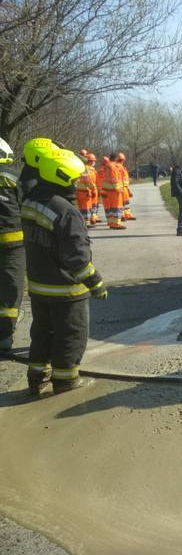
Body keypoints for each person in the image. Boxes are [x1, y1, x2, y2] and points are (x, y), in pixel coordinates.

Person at [20, 140, 107, 395]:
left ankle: (37, 378)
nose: (77, 183)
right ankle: (66, 381)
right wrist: (95, 282)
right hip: (66, 290)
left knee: (42, 332)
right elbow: (77, 258)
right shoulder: (66, 211)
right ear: (63, 178)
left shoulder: (31, 201)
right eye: (74, 179)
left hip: (38, 286)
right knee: (71, 335)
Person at [0, 138, 24, 356]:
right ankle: (5, 337)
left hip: (12, 244)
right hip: (13, 246)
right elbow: (26, 206)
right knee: (10, 289)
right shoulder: (15, 176)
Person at [98, 155, 126, 229]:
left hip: (107, 190)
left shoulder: (106, 166)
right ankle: (116, 223)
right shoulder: (113, 167)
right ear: (115, 158)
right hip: (114, 190)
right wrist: (118, 188)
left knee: (110, 208)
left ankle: (111, 223)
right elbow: (114, 179)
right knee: (116, 207)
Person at [75, 153, 97, 227]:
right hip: (85, 192)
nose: (94, 162)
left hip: (79, 191)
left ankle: (82, 222)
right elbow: (88, 180)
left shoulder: (81, 167)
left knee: (81, 208)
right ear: (90, 161)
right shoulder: (87, 169)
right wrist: (93, 189)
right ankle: (86, 223)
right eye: (93, 161)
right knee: (86, 208)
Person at [117, 152, 136, 221]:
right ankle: (122, 216)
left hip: (124, 188)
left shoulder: (122, 167)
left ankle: (127, 215)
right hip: (122, 188)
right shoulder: (119, 167)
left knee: (126, 202)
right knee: (122, 203)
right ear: (123, 160)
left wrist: (128, 189)